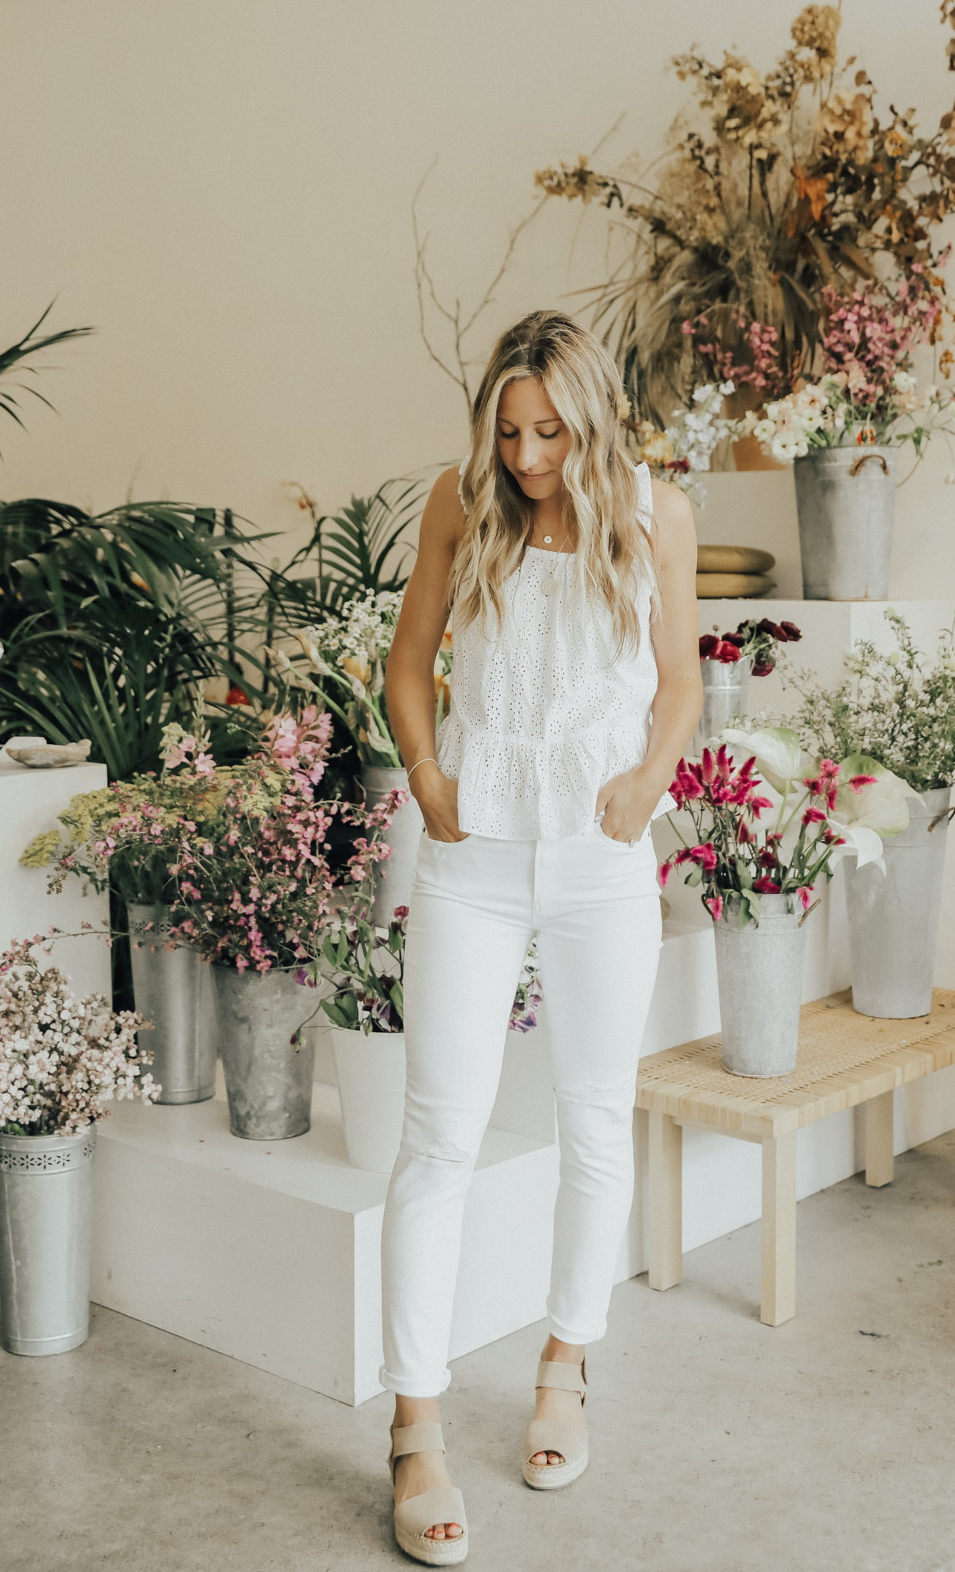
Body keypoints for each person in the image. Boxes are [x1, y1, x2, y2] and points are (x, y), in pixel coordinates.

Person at [380, 310, 701, 1563]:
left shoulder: (654, 517)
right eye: (510, 431)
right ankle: (415, 1429)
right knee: (437, 1140)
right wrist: (424, 772)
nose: (527, 455)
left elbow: (680, 680)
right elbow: (411, 663)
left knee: (591, 1122)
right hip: (473, 857)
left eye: (550, 433)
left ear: (593, 418)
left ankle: (566, 1364)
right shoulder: (462, 506)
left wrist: (647, 782)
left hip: (601, 862)